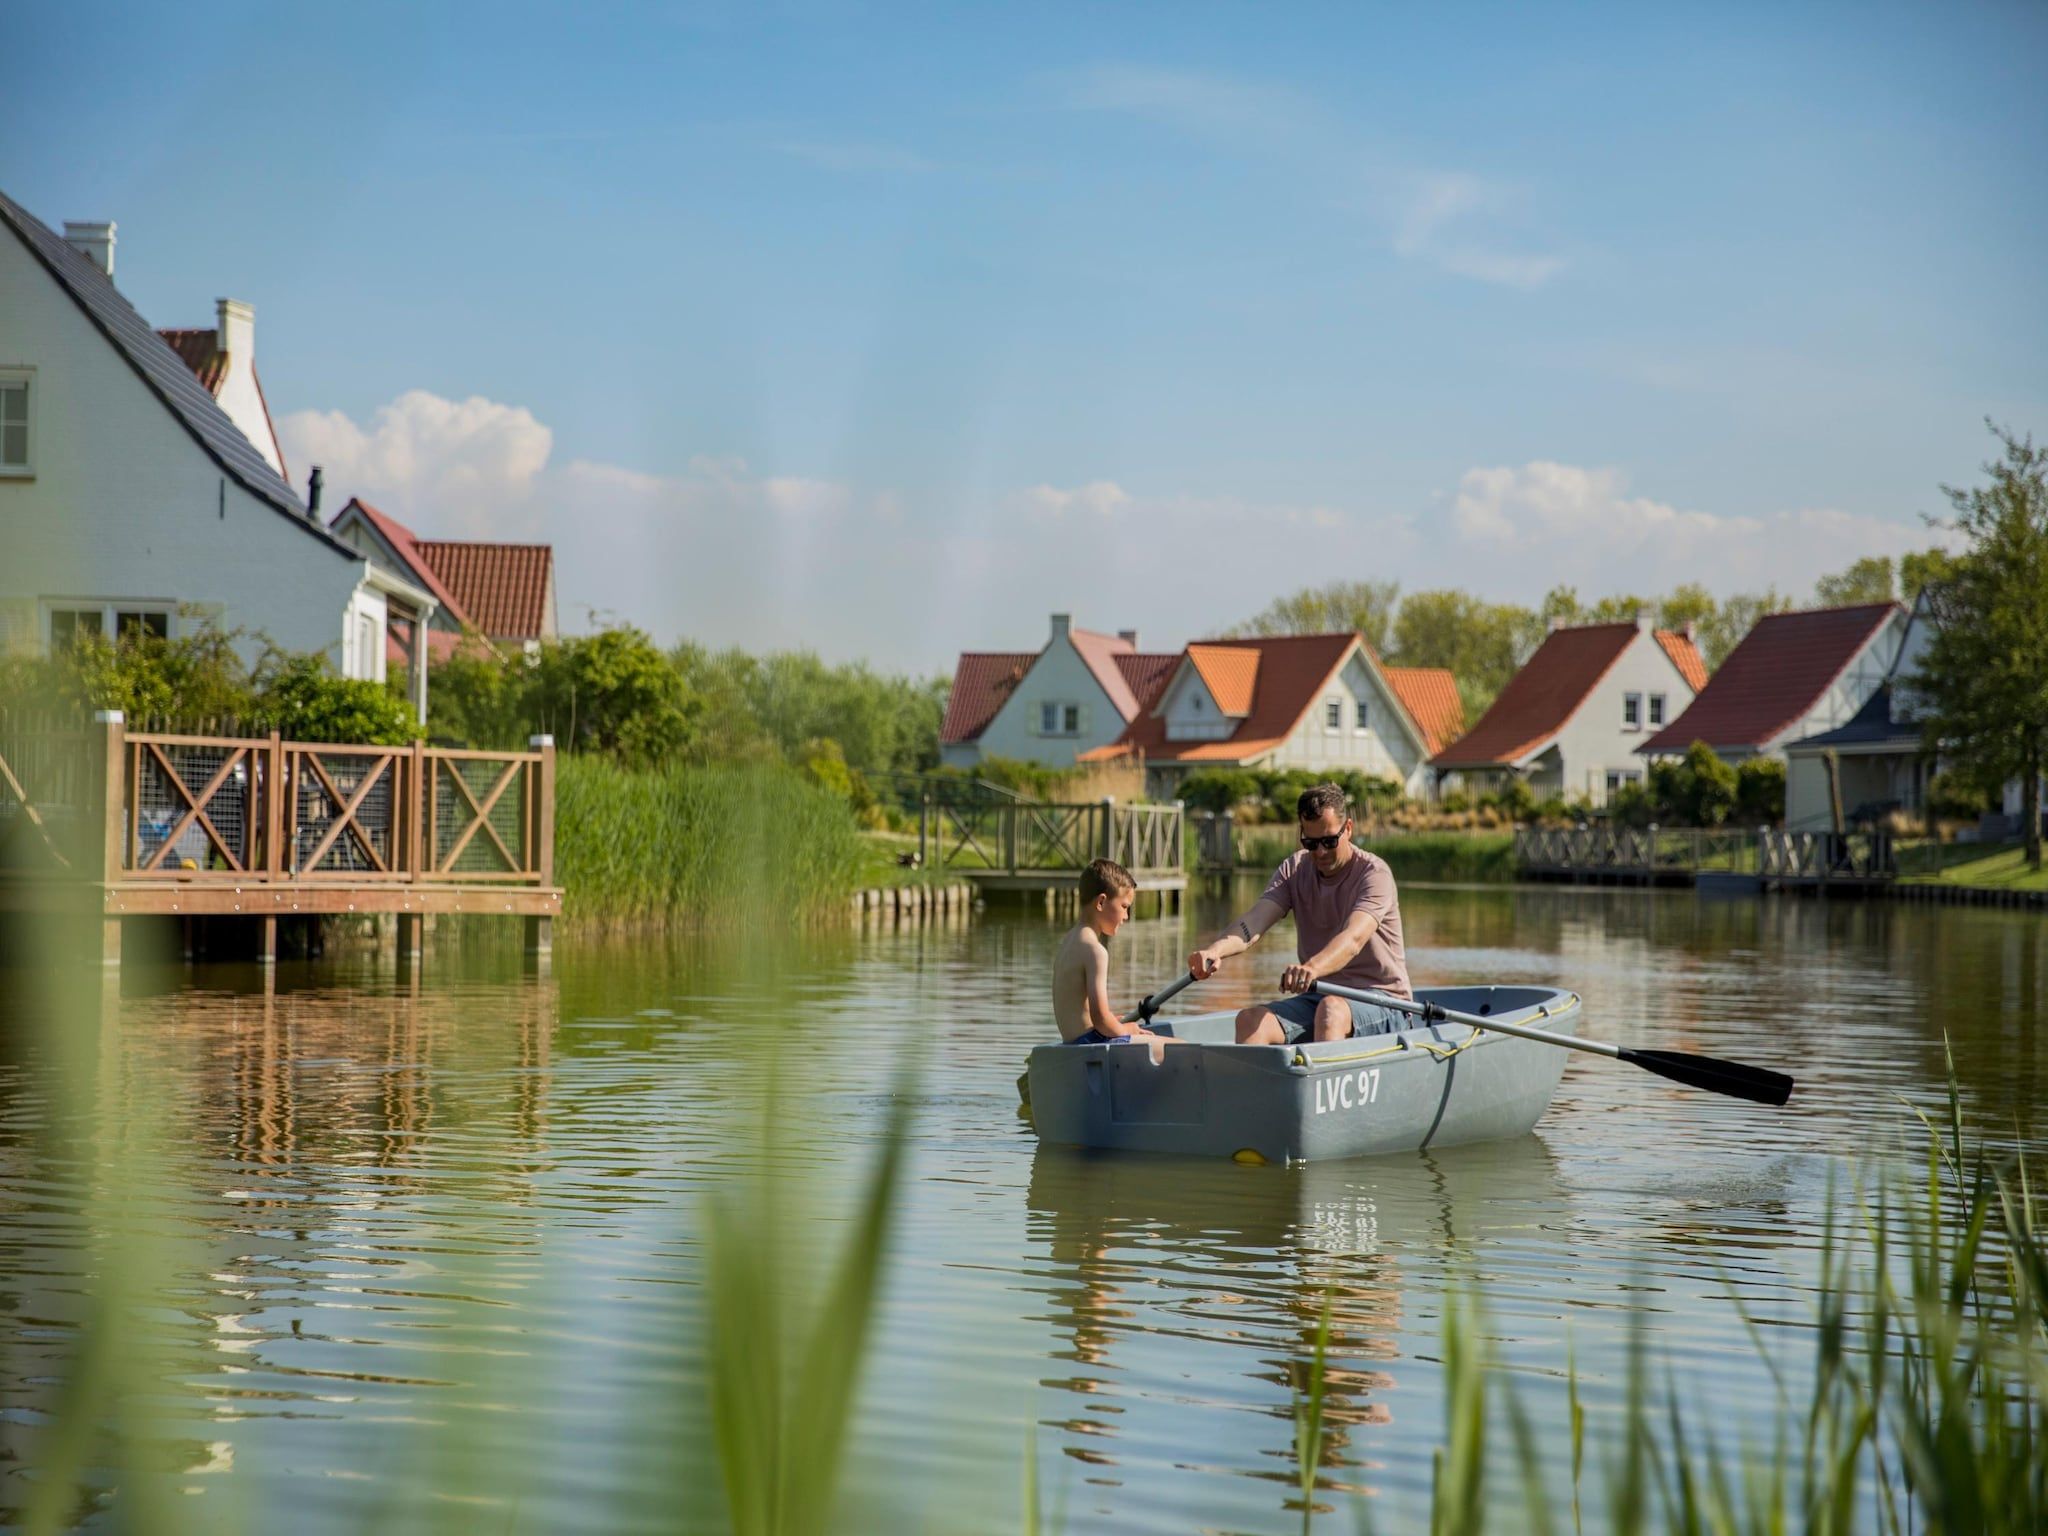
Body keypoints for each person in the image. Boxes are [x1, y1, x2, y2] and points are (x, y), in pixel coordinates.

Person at [1188, 782, 1411, 1045]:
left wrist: (1311, 969)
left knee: (1331, 1011)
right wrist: (1215, 951)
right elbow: (1254, 922)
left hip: (1381, 999)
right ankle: (1256, 1086)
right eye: (1310, 842)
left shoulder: (1374, 875)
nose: (1320, 852)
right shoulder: (1294, 870)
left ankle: (1320, 1083)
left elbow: (1352, 940)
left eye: (1329, 841)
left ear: (1348, 829)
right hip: (1319, 996)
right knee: (1249, 1021)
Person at [1052, 857, 1164, 1044]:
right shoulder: (1096, 951)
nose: (1126, 916)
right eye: (1124, 907)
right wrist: (1125, 1029)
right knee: (1184, 1048)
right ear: (1101, 902)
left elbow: (1086, 1013)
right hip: (1092, 1044)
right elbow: (1101, 1020)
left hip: (1073, 1044)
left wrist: (1113, 1022)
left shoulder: (1068, 942)